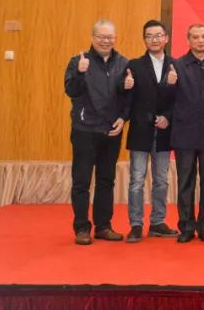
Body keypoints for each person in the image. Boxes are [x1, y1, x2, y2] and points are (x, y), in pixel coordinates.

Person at [64, 19, 131, 245]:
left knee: (106, 180)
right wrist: (79, 73)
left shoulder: (123, 63)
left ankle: (103, 226)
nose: (106, 41)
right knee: (81, 181)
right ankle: (82, 228)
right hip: (84, 130)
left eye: (110, 37)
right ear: (92, 38)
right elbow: (71, 90)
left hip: (111, 131)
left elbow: (128, 98)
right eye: (101, 37)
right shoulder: (78, 61)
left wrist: (123, 118)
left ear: (115, 38)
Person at [123, 20, 179, 243]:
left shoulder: (176, 65)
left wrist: (168, 117)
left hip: (164, 131)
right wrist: (124, 86)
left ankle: (157, 222)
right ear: (144, 40)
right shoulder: (134, 65)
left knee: (161, 180)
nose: (154, 40)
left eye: (158, 35)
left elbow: (180, 100)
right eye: (149, 36)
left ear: (166, 38)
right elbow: (127, 99)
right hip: (140, 130)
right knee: (137, 179)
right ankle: (136, 224)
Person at [169, 24, 204, 243]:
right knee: (185, 182)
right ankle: (186, 226)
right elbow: (166, 98)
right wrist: (169, 84)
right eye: (196, 37)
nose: (200, 41)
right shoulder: (176, 65)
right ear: (188, 40)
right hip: (184, 133)